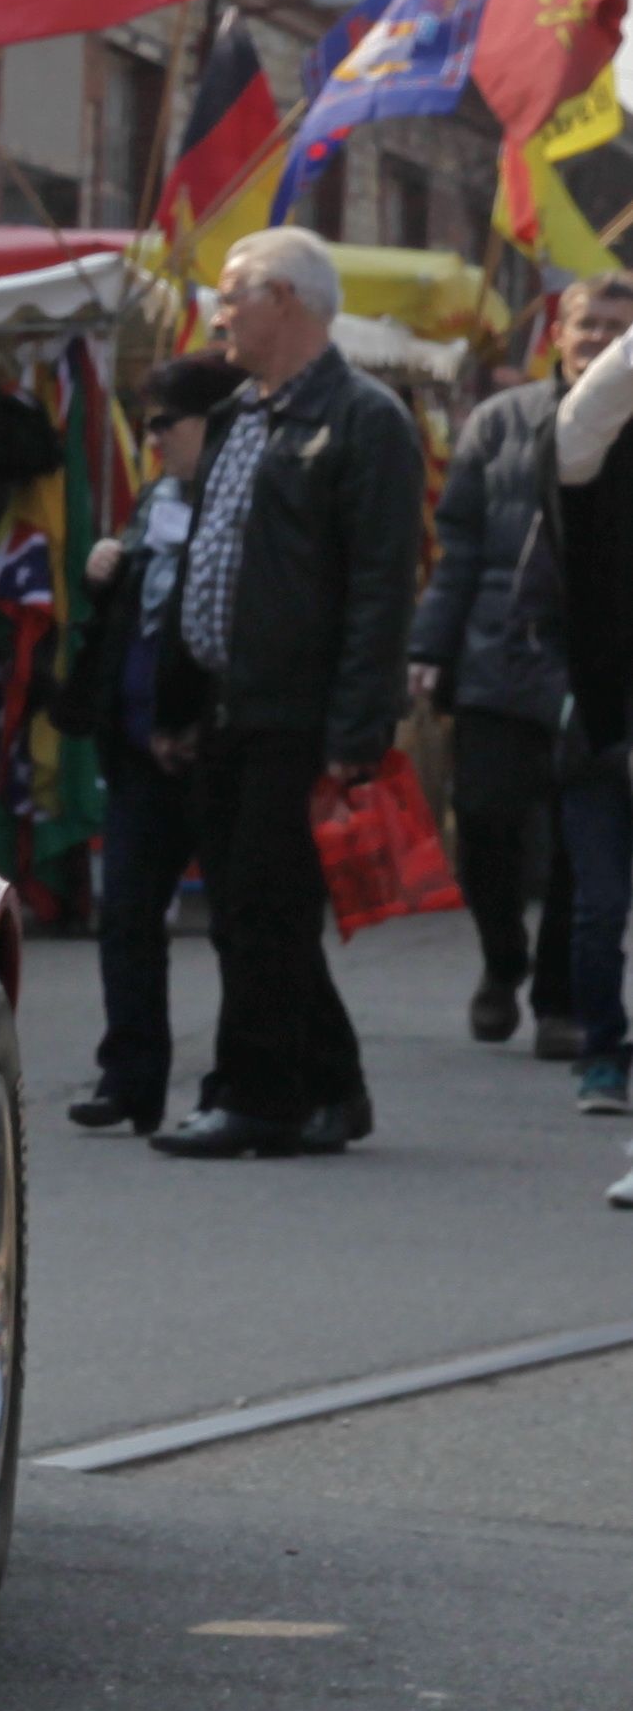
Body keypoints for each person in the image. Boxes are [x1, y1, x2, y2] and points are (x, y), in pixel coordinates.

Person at [153, 228, 427, 1160]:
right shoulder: (236, 414)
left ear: (286, 301)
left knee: (266, 910)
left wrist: (358, 724)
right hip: (225, 702)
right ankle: (334, 1089)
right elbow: (206, 561)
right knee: (241, 908)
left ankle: (258, 1098)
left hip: (297, 711)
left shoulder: (365, 419)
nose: (218, 314)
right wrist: (178, 702)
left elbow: (382, 584)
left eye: (233, 295)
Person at [414, 275, 624, 1053]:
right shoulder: (500, 423)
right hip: (498, 660)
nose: (598, 338)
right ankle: (503, 958)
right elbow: (459, 546)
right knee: (490, 824)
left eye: (616, 326)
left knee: (583, 845)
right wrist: (428, 650)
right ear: (559, 335)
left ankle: (560, 1000)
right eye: (587, 323)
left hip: (599, 667)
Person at [47, 352, 245, 1135]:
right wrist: (108, 572)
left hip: (212, 747)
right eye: (148, 420)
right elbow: (143, 617)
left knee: (238, 924)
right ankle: (131, 1077)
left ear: (215, 422)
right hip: (136, 751)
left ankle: (238, 1081)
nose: (153, 436)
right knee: (127, 917)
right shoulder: (158, 499)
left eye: (168, 422)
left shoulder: (242, 503)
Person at [542, 291, 633, 1148]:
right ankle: (602, 1051)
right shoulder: (587, 454)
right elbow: (585, 419)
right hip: (602, 727)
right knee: (601, 909)